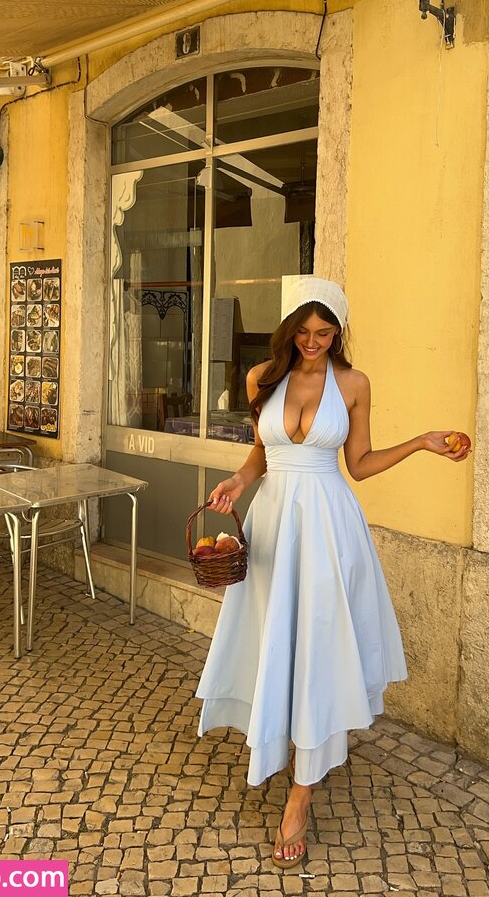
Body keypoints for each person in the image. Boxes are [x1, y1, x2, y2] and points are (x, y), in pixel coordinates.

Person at [196, 277, 471, 870]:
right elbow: (261, 454)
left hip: (327, 525)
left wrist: (421, 443)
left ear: (338, 332)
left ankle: (301, 795)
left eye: (324, 332)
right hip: (273, 525)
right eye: (303, 331)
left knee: (318, 647)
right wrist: (237, 482)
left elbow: (360, 465)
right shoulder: (261, 378)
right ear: (288, 329)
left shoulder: (354, 384)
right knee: (277, 641)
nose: (313, 341)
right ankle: (281, 740)